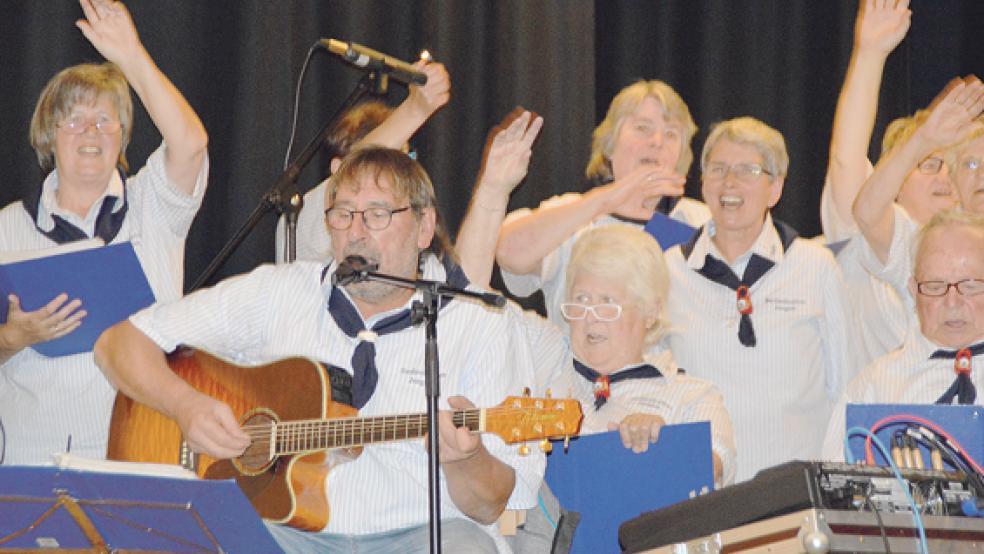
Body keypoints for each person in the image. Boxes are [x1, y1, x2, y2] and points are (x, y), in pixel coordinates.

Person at [94, 147, 541, 553]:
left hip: (420, 534)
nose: (355, 232)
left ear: (424, 226)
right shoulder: (280, 292)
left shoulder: (479, 324)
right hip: (285, 535)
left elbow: (491, 505)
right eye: (342, 213)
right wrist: (185, 405)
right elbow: (117, 344)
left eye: (378, 214)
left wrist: (466, 460)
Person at [457, 111, 735, 552]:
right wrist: (492, 189)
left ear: (650, 312)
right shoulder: (546, 358)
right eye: (582, 301)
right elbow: (469, 297)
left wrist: (663, 444)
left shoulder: (691, 396)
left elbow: (715, 466)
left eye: (608, 303)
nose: (590, 318)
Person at [0, 0, 208, 465]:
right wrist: (11, 339)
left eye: (104, 120)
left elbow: (191, 143)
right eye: (73, 119)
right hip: (32, 457)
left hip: (145, 445)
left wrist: (130, 55)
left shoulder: (155, 206)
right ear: (48, 135)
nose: (89, 131)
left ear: (123, 134)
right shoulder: (7, 227)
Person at [662, 116, 859, 482]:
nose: (730, 182)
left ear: (775, 189)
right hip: (704, 493)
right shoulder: (668, 271)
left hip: (794, 495)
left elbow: (847, 387)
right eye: (718, 169)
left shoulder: (814, 266)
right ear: (703, 184)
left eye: (748, 170)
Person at [495, 80, 710, 332]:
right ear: (610, 144)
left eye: (672, 134)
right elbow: (509, 252)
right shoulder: (573, 214)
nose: (657, 141)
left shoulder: (701, 220)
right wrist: (606, 199)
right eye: (642, 128)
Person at [819, 0, 937, 364]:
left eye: (956, 164)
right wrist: (869, 54)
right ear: (894, 180)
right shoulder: (862, 240)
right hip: (873, 419)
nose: (945, 177)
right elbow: (846, 158)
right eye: (928, 164)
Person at [822, 210, 984, 459]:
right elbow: (833, 486)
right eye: (935, 286)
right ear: (913, 290)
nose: (952, 302)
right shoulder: (872, 388)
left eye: (970, 286)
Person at [275, 60, 450, 264]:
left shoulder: (411, 234)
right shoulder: (305, 217)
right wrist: (416, 109)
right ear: (337, 170)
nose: (403, 174)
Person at [852, 76, 984, 311]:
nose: (981, 175)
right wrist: (922, 139)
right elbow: (867, 212)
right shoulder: (920, 243)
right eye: (971, 165)